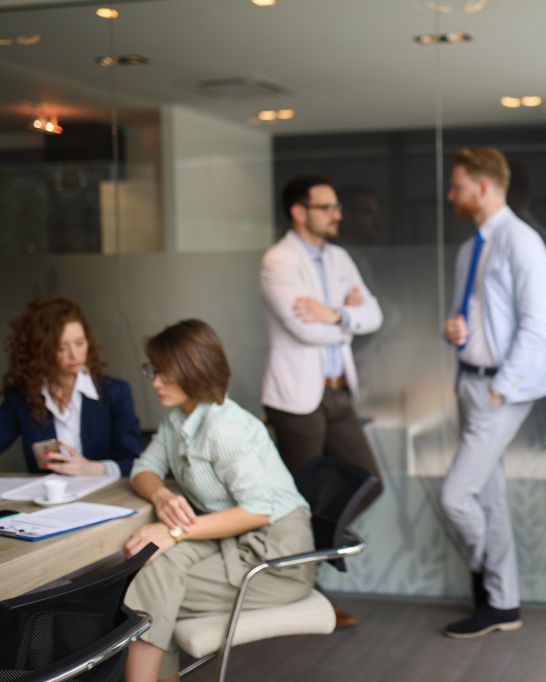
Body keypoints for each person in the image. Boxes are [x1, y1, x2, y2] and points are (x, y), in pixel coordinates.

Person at [123, 319, 315, 682]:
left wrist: (175, 532)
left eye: (163, 373)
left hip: (276, 559)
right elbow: (143, 468)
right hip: (228, 540)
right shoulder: (178, 419)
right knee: (152, 565)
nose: (155, 382)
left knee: (147, 584)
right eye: (153, 371)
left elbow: (259, 510)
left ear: (194, 372)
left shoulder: (224, 428)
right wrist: (161, 494)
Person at [441, 147, 546, 638]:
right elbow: (476, 316)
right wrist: (455, 333)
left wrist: (501, 388)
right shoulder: (471, 248)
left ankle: (484, 574)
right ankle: (502, 604)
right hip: (468, 378)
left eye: (458, 186)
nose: (452, 195)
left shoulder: (521, 241)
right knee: (486, 498)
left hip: (500, 389)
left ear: (483, 187)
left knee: (455, 497)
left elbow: (536, 326)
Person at [260, 174, 384, 507]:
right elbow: (307, 330)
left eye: (337, 207)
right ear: (299, 213)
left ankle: (318, 546)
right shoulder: (278, 260)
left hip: (339, 391)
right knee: (302, 497)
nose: (337, 215)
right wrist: (348, 317)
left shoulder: (338, 258)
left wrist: (334, 315)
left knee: (369, 483)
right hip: (296, 398)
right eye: (326, 207)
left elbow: (375, 316)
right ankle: (305, 554)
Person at [0, 295, 142, 477]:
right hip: (47, 501)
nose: (74, 355)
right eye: (61, 347)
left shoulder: (115, 393)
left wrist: (94, 468)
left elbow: (136, 462)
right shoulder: (22, 397)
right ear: (41, 351)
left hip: (105, 497)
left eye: (80, 343)